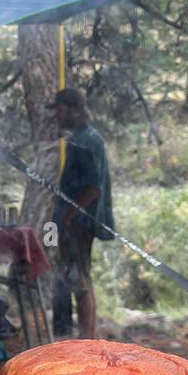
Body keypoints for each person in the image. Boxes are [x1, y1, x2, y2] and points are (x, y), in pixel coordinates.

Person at [50, 87, 114, 341]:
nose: (56, 114)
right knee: (76, 278)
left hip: (80, 224)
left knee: (80, 280)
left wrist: (67, 216)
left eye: (59, 109)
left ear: (73, 110)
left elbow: (93, 189)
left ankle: (87, 338)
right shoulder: (79, 138)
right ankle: (86, 336)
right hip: (75, 223)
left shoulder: (87, 140)